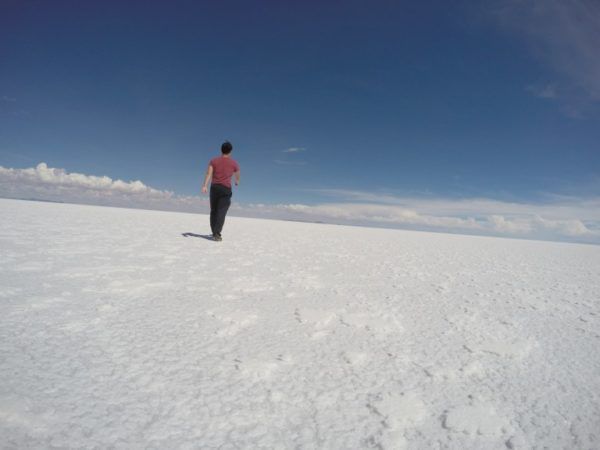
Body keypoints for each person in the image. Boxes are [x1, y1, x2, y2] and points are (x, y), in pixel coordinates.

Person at [202, 141, 240, 241]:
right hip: (225, 189)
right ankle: (217, 234)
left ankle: (214, 231)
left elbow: (208, 174)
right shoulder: (234, 163)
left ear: (221, 150)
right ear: (230, 151)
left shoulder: (213, 161)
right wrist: (237, 181)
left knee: (213, 211)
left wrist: (205, 185)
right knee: (221, 212)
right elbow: (237, 174)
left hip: (214, 188)